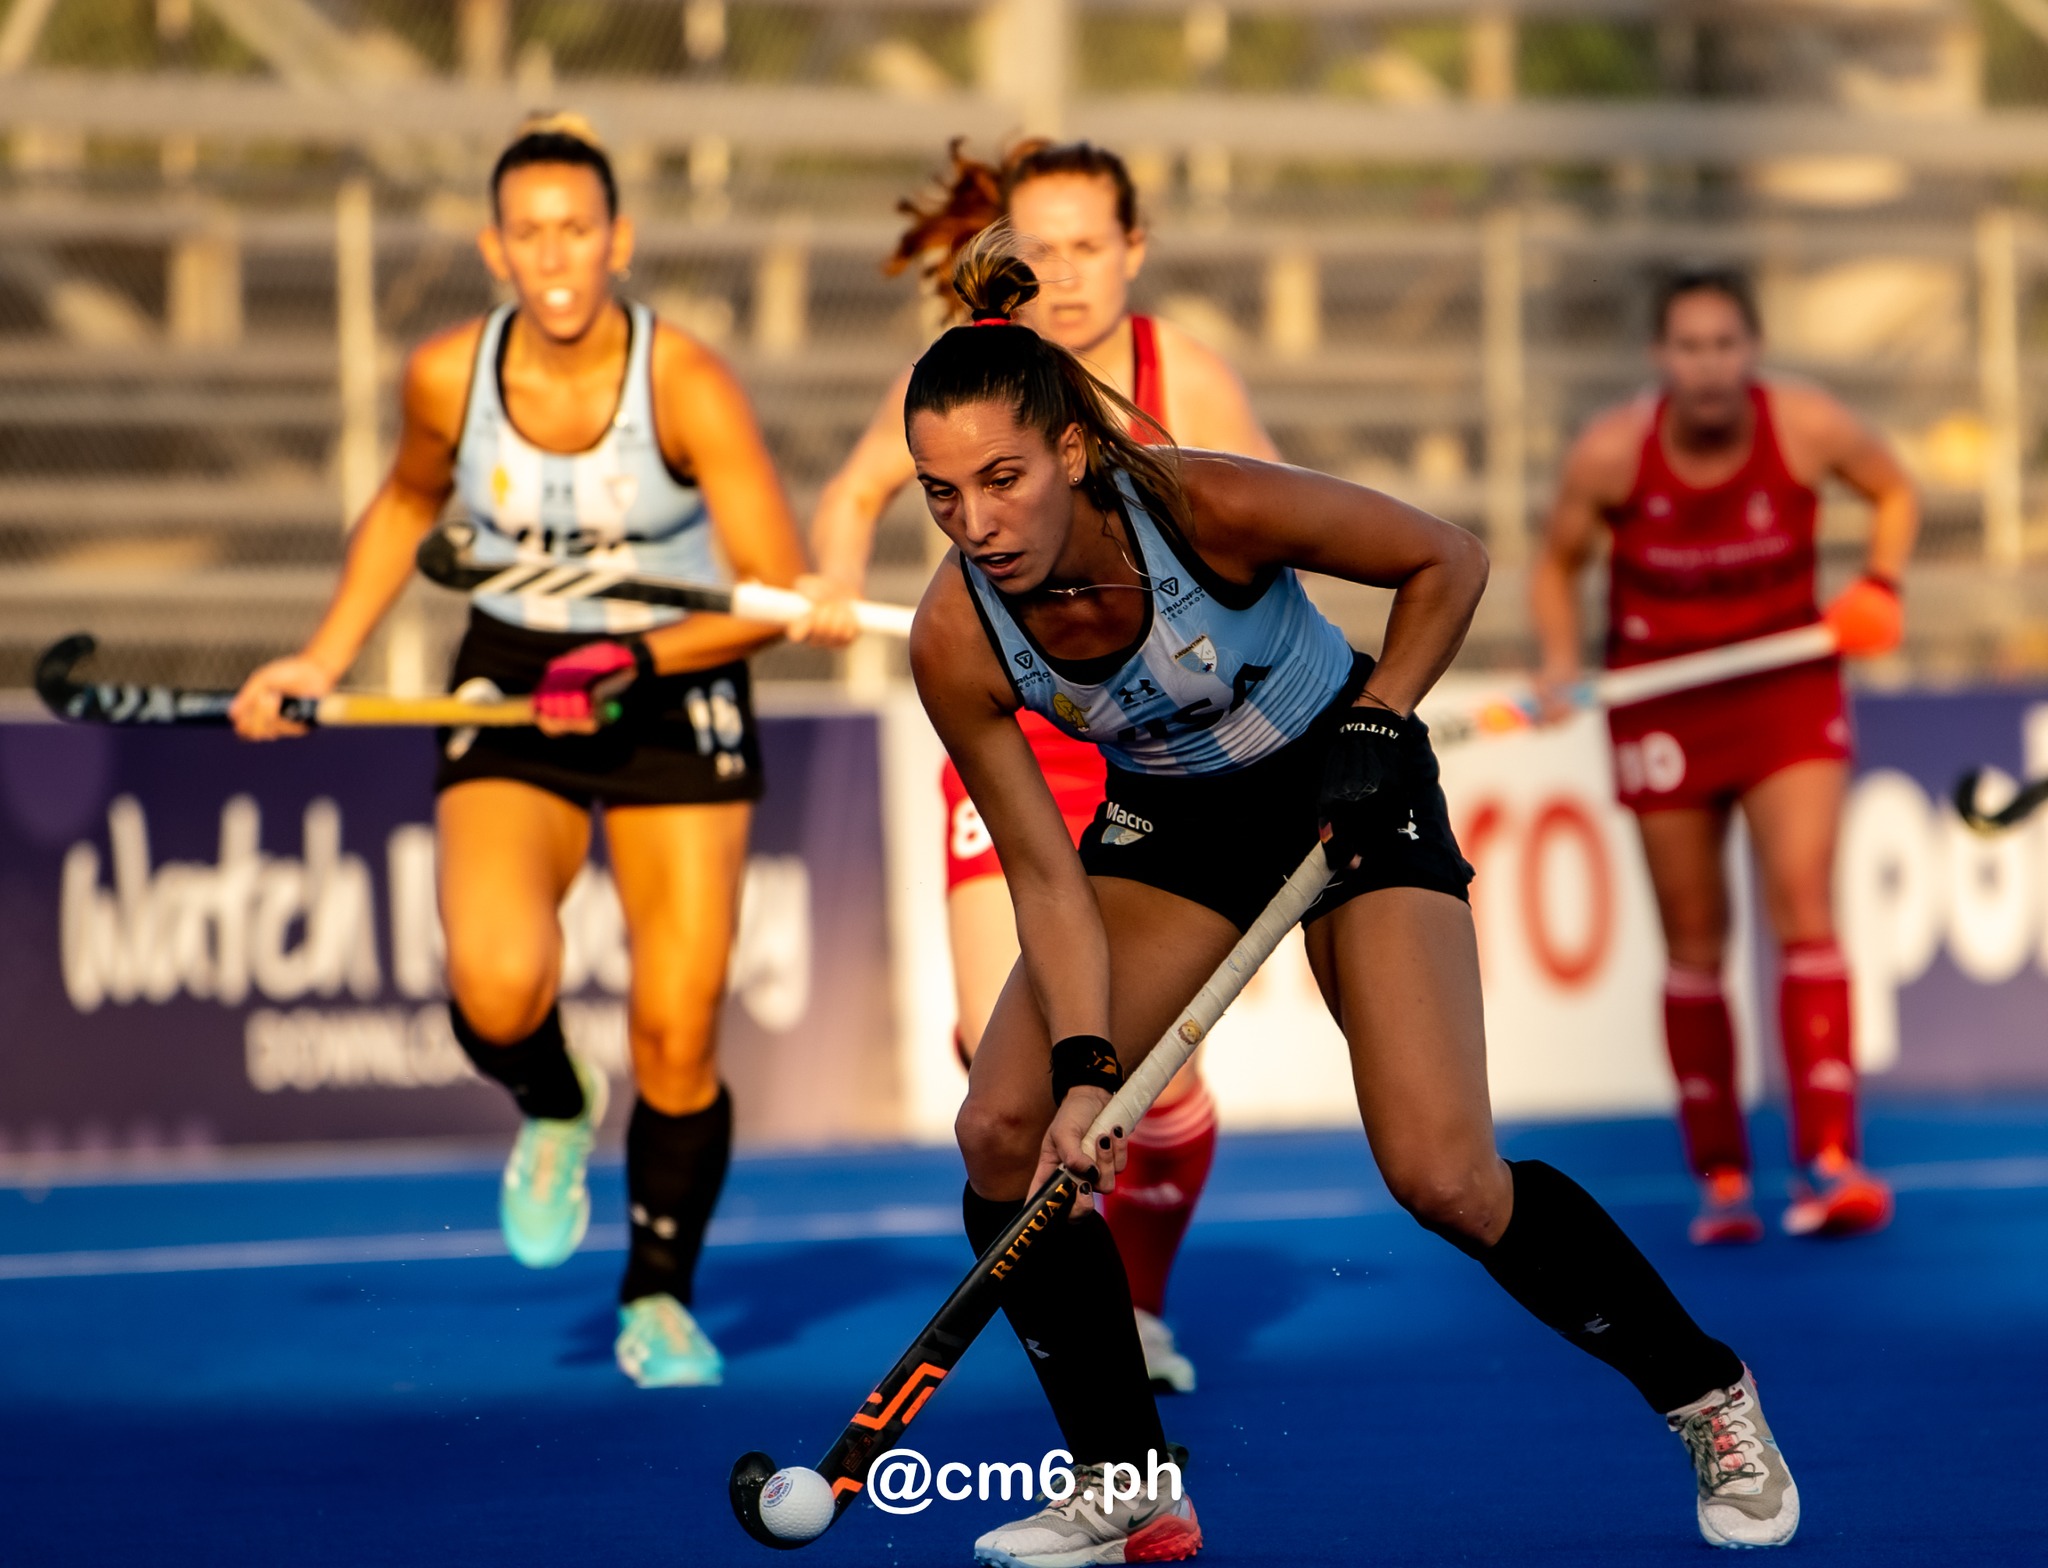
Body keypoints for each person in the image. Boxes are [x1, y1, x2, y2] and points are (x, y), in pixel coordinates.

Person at [907, 232, 1799, 1566]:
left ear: (1072, 454)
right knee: (1006, 1125)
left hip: (1349, 789)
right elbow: (1048, 875)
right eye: (940, 496)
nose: (976, 524)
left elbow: (1449, 559)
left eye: (1001, 481)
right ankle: (1128, 1478)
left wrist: (1382, 719)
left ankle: (1704, 1391)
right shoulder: (957, 636)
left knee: (1444, 1177)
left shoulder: (1202, 507)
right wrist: (1092, 1071)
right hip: (1177, 830)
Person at [230, 114, 810, 1388]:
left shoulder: (685, 381)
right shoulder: (447, 374)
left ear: (620, 238)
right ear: (495, 245)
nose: (555, 255)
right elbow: (401, 502)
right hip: (513, 682)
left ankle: (657, 1294)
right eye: (529, 231)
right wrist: (319, 659)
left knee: (677, 1026)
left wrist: (639, 659)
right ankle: (554, 1100)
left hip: (670, 684)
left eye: (578, 229)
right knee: (495, 986)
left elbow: (771, 594)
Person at [804, 138, 1275, 1395]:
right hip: (1020, 745)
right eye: (1036, 248)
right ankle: (1100, 1363)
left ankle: (1142, 1301)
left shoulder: (1189, 379)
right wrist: (830, 583)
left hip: (1165, 753)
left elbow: (1272, 544)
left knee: (1151, 1080)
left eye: (1084, 246)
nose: (1060, 275)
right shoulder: (957, 380)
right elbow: (853, 498)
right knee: (995, 1058)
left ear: (1131, 250)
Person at [1531, 267, 1917, 1245]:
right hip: (1659, 696)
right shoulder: (1612, 451)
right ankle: (1720, 1174)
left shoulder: (1804, 424)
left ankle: (1830, 1160)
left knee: (1801, 897)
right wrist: (1561, 663)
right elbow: (1556, 562)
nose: (1707, 366)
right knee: (1692, 930)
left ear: (1749, 351)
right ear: (1661, 358)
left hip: (1783, 686)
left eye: (1723, 345)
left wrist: (1879, 582)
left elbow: (1891, 488)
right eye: (1687, 347)